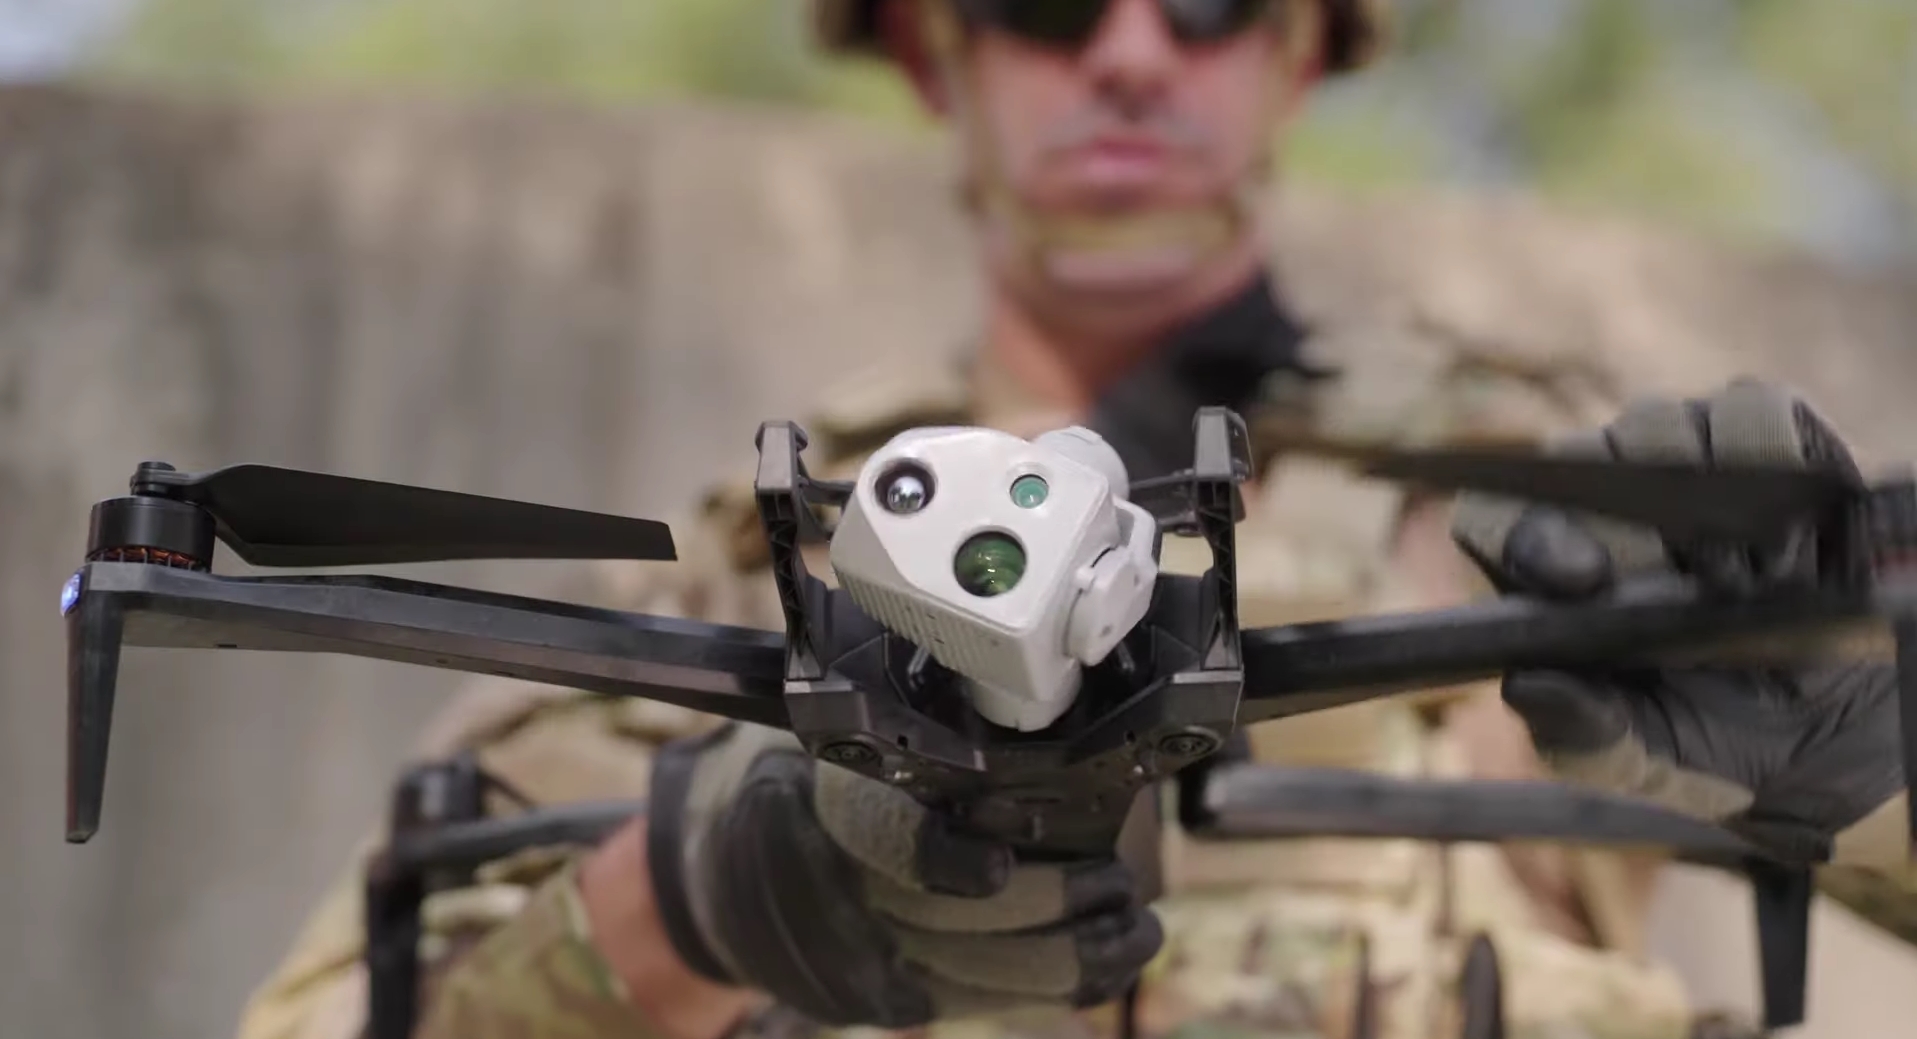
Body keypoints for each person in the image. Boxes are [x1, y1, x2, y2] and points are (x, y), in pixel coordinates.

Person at [232, 2, 1910, 1039]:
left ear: (1299, 50)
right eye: (1042, 4)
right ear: (929, 51)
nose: (1127, 53)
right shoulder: (760, 572)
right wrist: (695, 902)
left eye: (1207, 4)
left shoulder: (1559, 510)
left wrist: (1870, 762)